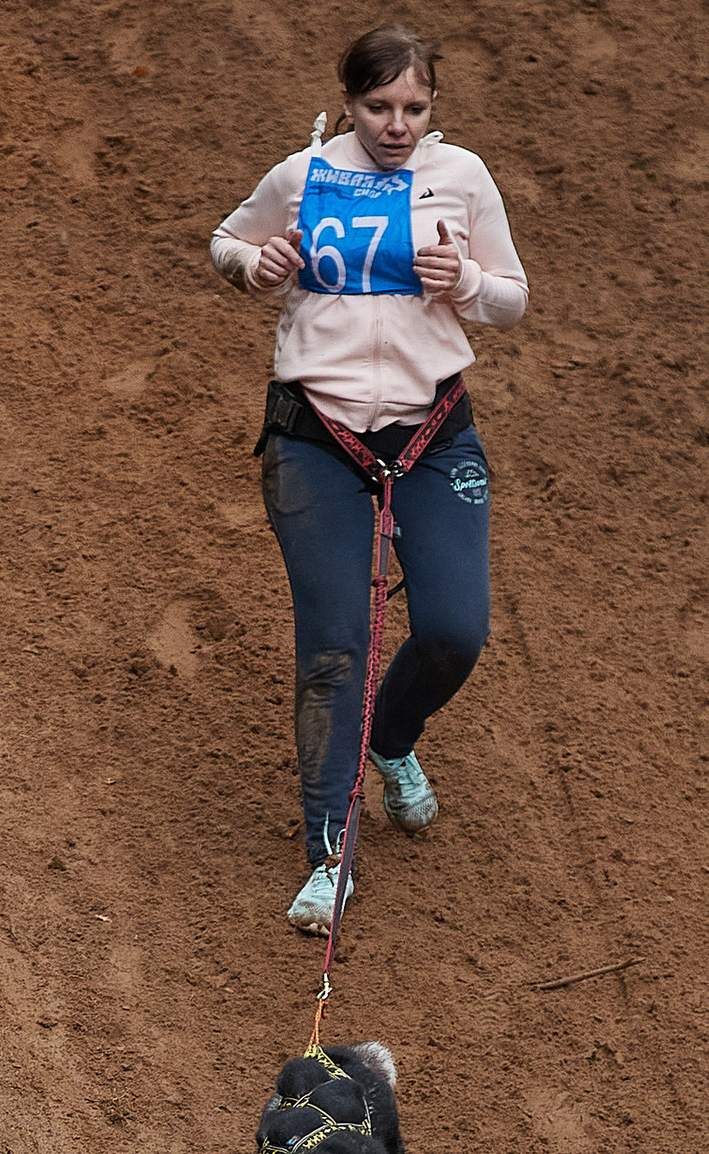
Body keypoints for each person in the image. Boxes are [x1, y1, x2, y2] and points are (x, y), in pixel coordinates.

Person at [210, 25, 529, 934]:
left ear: (434, 109)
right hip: (317, 439)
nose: (396, 125)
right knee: (335, 645)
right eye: (378, 107)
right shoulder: (303, 176)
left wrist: (464, 279)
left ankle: (392, 742)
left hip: (433, 433)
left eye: (414, 108)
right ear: (349, 103)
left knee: (456, 632)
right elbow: (228, 241)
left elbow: (513, 297)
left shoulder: (461, 179)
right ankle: (329, 857)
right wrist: (254, 265)